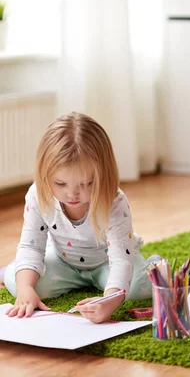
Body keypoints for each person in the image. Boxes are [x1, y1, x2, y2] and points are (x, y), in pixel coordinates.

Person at [0, 112, 159, 323]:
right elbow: (31, 247)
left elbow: (120, 259)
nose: (72, 194)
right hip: (63, 261)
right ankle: (12, 271)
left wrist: (110, 300)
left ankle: (155, 264)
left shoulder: (113, 201)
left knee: (136, 288)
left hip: (107, 261)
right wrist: (25, 289)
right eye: (61, 184)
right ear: (44, 175)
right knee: (17, 283)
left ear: (104, 175)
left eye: (86, 184)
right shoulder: (38, 196)